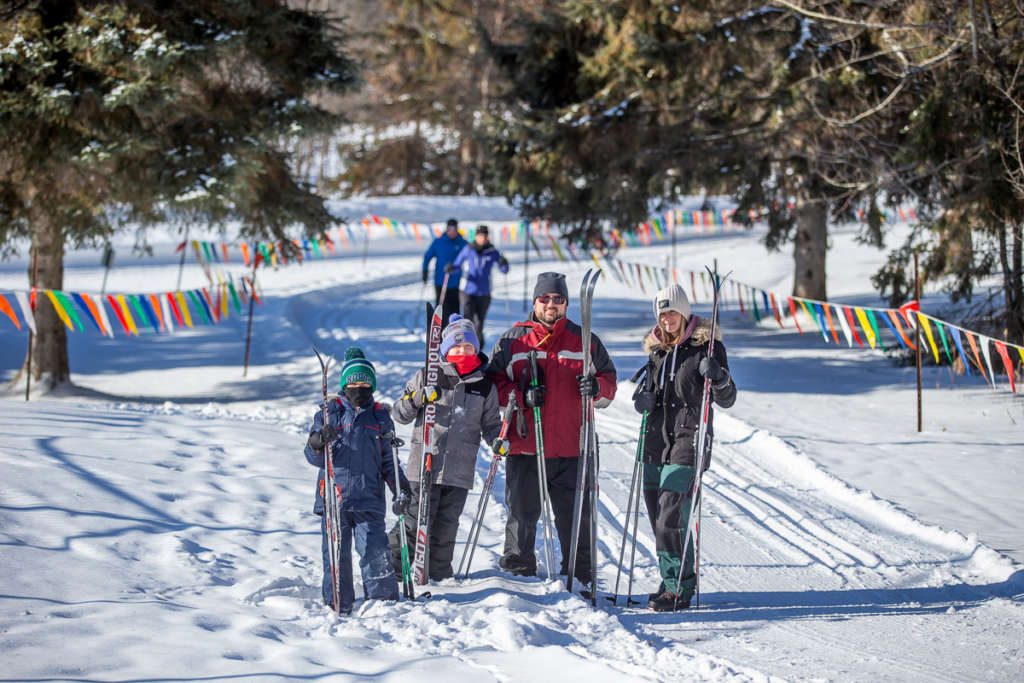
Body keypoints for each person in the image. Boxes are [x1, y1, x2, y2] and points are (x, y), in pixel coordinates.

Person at [485, 272, 617, 587]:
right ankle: (519, 572)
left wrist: (596, 387)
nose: (551, 305)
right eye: (545, 299)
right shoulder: (513, 340)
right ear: (535, 302)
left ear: (567, 304)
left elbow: (610, 383)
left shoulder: (584, 340)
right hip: (527, 444)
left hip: (573, 445)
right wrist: (519, 395)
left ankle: (580, 574)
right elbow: (492, 386)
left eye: (558, 300)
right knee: (523, 513)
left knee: (576, 518)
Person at [632, 283, 736, 612]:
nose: (667, 319)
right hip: (654, 442)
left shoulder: (707, 347)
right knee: (659, 516)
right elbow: (647, 394)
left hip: (689, 440)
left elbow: (728, 398)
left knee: (670, 515)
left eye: (672, 312)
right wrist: (642, 401)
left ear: (685, 312)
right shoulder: (657, 351)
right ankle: (675, 578)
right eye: (662, 314)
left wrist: (718, 378)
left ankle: (677, 589)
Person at [390, 314, 504, 581]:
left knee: (446, 527)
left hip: (459, 471)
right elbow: (399, 414)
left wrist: (498, 440)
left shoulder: (484, 386)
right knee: (414, 522)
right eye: (456, 346)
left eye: (468, 347)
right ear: (445, 350)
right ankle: (394, 570)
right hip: (423, 466)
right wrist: (419, 398)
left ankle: (438, 576)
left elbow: (491, 424)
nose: (462, 352)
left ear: (476, 349)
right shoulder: (428, 375)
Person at [304, 346, 411, 613]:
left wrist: (401, 489)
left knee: (375, 553)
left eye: (365, 383)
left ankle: (383, 604)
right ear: (343, 385)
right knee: (336, 556)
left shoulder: (380, 417)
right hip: (334, 498)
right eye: (353, 383)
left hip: (369, 499)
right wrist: (318, 442)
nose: (358, 388)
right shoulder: (329, 414)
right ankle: (337, 603)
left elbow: (389, 461)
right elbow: (314, 457)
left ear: (372, 386)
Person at [446, 224, 510, 345]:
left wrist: (504, 263)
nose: (483, 238)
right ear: (476, 237)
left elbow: (504, 270)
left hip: (484, 292)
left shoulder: (492, 251)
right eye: (480, 236)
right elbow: (457, 265)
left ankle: (478, 347)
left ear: (488, 237)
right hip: (467, 291)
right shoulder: (468, 249)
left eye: (485, 236)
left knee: (479, 322)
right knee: (468, 320)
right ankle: (466, 343)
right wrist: (450, 268)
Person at [422, 218, 468, 324]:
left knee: (454, 310)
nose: (452, 231)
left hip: (455, 282)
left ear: (457, 229)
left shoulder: (462, 242)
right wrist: (425, 270)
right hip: (440, 281)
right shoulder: (438, 242)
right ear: (446, 229)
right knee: (441, 308)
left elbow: (472, 253)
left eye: (454, 229)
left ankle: (454, 332)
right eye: (449, 229)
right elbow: (427, 256)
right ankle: (439, 331)